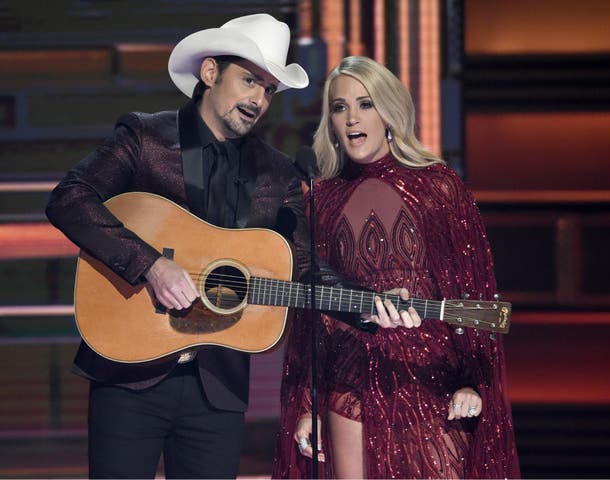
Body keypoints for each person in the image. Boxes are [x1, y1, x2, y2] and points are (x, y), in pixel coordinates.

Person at [46, 14, 402, 479]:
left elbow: (301, 263)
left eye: (269, 90)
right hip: (129, 372)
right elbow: (69, 198)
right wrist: (150, 264)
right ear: (210, 73)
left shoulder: (277, 174)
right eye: (250, 80)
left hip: (217, 388)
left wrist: (364, 304)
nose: (258, 99)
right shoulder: (145, 138)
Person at [272, 56, 520, 479]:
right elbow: (315, 315)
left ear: (389, 111)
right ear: (329, 121)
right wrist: (309, 405)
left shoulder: (439, 187)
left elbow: (472, 293)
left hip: (430, 382)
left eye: (365, 104)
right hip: (348, 385)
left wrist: (472, 381)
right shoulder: (321, 199)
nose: (351, 118)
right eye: (339, 107)